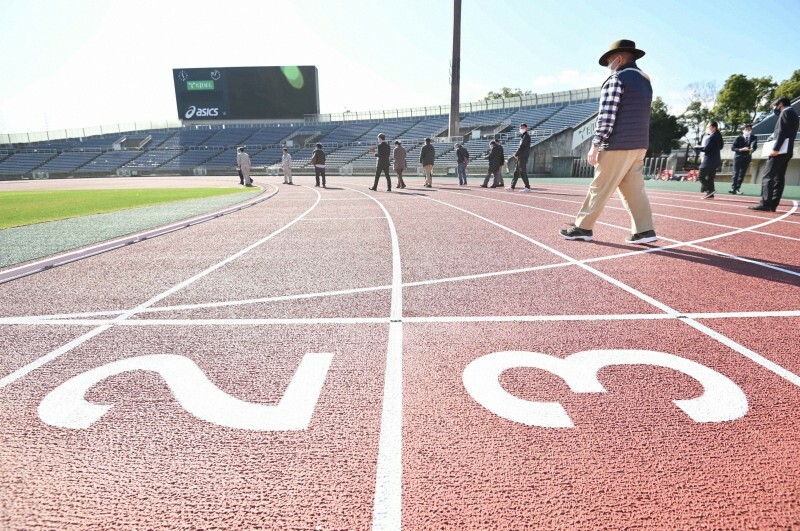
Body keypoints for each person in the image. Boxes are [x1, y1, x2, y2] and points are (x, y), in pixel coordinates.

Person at [559, 39, 657, 244]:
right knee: (634, 189)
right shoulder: (645, 80)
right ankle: (644, 230)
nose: (608, 66)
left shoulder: (616, 79)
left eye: (609, 61)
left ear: (619, 59)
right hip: (640, 144)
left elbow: (606, 116)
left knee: (599, 186)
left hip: (618, 144)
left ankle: (583, 227)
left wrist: (595, 145)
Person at [749, 97, 799, 212]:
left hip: (780, 150)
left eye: (774, 106)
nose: (775, 109)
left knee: (768, 176)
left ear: (780, 104)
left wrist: (776, 148)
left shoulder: (786, 113)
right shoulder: (793, 114)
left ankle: (766, 203)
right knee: (779, 178)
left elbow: (781, 132)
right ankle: (773, 204)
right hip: (787, 150)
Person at [695, 121, 723, 199]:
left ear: (714, 127)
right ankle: (710, 193)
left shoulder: (713, 137)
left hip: (709, 160)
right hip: (714, 160)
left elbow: (707, 149)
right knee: (710, 177)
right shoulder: (717, 136)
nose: (707, 128)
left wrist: (698, 148)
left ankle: (710, 190)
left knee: (700, 176)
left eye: (708, 127)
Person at [730, 124, 756, 194]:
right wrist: (741, 149)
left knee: (742, 174)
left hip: (747, 158)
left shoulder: (754, 137)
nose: (748, 131)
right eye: (746, 129)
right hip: (738, 157)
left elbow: (755, 147)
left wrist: (752, 149)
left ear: (751, 130)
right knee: (736, 173)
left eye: (749, 129)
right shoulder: (738, 138)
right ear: (743, 130)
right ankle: (733, 188)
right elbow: (732, 148)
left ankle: (738, 188)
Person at [507, 123, 532, 192]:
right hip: (521, 156)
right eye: (520, 128)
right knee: (516, 172)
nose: (521, 129)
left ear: (526, 128)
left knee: (522, 172)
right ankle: (512, 187)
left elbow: (522, 147)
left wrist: (516, 154)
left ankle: (527, 187)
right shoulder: (523, 136)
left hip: (523, 157)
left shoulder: (526, 136)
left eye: (523, 127)